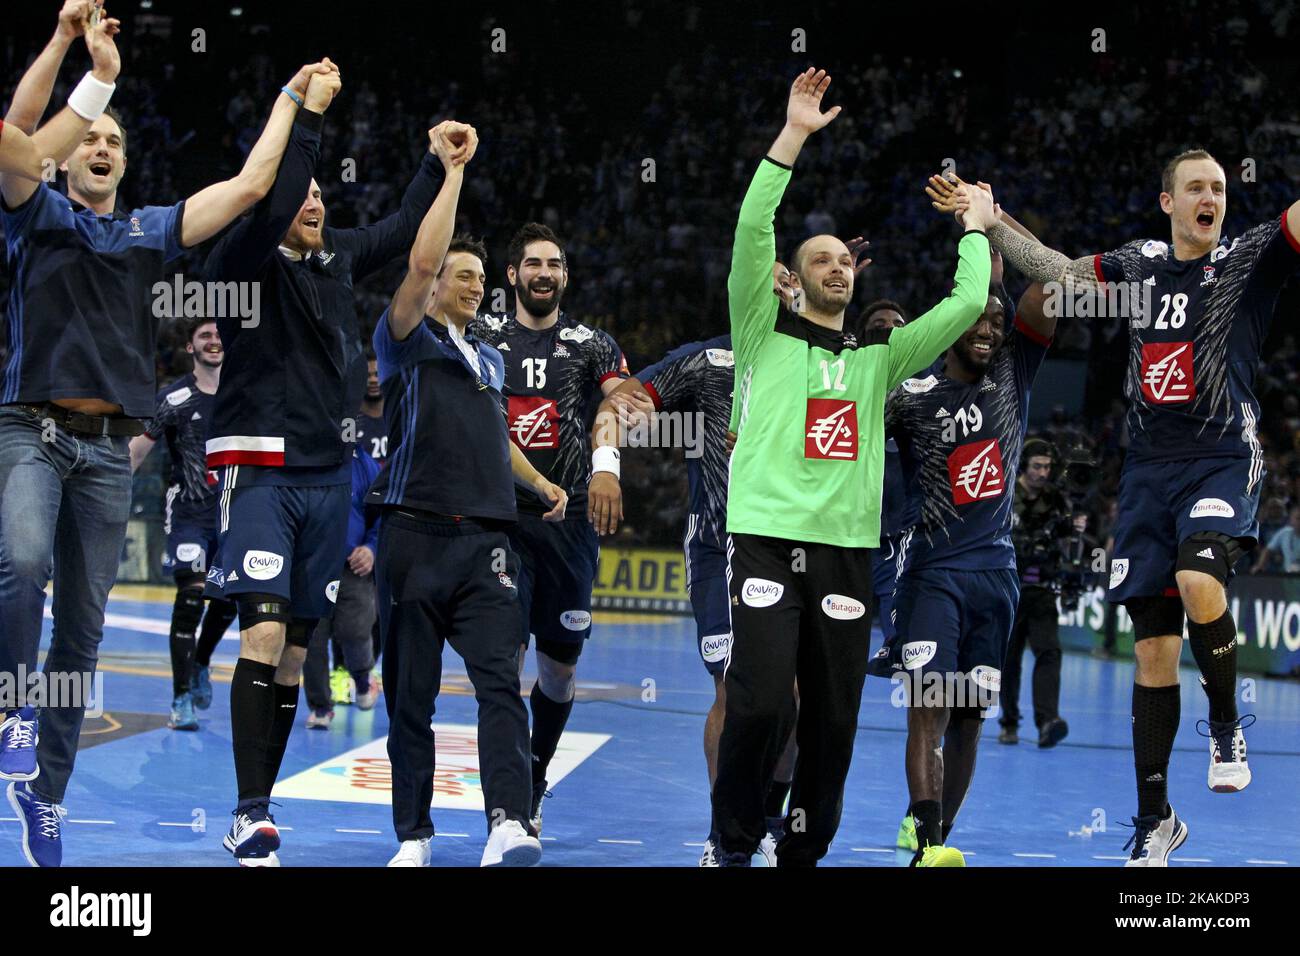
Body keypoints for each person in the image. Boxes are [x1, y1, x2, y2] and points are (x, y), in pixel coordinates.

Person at [0, 8, 330, 868]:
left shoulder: (148, 230)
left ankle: (47, 794)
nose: (102, 146)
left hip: (109, 454)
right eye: (88, 137)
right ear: (63, 155)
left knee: (80, 634)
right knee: (24, 559)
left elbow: (256, 186)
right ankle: (10, 709)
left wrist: (292, 99)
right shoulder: (30, 213)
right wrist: (73, 50)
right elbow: (11, 136)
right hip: (31, 432)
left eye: (114, 139)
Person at [965, 146, 1300, 865]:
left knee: (1199, 579)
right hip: (1147, 473)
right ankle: (1156, 820)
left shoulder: (1246, 258)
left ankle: (1224, 723)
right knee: (1152, 655)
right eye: (1196, 188)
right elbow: (1057, 273)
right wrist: (991, 224)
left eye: (1219, 187)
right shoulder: (1140, 269)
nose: (1212, 196)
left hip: (1220, 459)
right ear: (1168, 203)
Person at [711, 68, 995, 867]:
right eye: (821, 259)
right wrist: (795, 134)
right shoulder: (761, 328)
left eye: (845, 260)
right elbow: (751, 227)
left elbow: (968, 305)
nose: (838, 267)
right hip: (765, 538)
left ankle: (801, 852)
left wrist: (974, 224)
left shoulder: (880, 361)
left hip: (846, 554)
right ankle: (732, 843)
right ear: (794, 279)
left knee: (834, 722)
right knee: (763, 705)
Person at [203, 67, 462, 867]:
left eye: (322, 196)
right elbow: (273, 200)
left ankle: (260, 804)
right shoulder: (242, 258)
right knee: (264, 634)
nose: (315, 204)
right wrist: (308, 117)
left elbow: (395, 231)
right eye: (302, 196)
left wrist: (437, 163)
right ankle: (248, 814)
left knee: (293, 653)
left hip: (325, 477)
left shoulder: (333, 260)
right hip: (259, 469)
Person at [369, 129, 566, 867]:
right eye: (464, 274)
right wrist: (452, 173)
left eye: (483, 277)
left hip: (487, 541)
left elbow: (496, 436)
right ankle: (414, 837)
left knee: (499, 685)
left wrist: (540, 481)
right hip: (411, 539)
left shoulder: (487, 354)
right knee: (409, 701)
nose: (476, 285)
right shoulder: (406, 335)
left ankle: (508, 822)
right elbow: (421, 261)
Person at [591, 330, 798, 866]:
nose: (778, 291)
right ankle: (724, 830)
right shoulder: (707, 360)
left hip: (794, 544)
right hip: (719, 543)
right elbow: (619, 404)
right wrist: (606, 468)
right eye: (766, 279)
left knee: (792, 698)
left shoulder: (815, 357)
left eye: (787, 283)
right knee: (731, 688)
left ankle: (770, 822)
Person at [870, 281, 1054, 866]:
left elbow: (1051, 287)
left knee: (970, 720)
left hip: (996, 579)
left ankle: (939, 839)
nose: (988, 330)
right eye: (976, 319)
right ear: (949, 323)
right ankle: (926, 845)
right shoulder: (911, 394)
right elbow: (843, 435)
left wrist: (990, 225)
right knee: (929, 707)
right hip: (931, 575)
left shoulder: (1012, 379)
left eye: (997, 322)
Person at [467, 223, 629, 832]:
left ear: (564, 275)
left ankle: (533, 783)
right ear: (511, 275)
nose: (543, 273)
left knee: (559, 671)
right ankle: (506, 807)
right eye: (532, 263)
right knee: (502, 661)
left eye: (554, 264)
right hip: (498, 520)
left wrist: (608, 465)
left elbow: (618, 403)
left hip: (570, 523)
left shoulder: (590, 344)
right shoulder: (480, 334)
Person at [128, 318, 238, 730]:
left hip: (234, 515)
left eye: (218, 336)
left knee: (228, 599)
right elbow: (135, 453)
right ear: (191, 348)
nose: (213, 341)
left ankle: (202, 663)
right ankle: (179, 700)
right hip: (189, 513)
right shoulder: (172, 397)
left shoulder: (242, 394)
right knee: (190, 600)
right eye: (204, 336)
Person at [1000, 437, 1071, 747]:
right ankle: (1009, 723)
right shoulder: (1004, 495)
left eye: (1047, 467)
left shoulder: (1057, 501)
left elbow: (1069, 542)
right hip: (1009, 589)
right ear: (1023, 466)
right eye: (1037, 466)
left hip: (1042, 588)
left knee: (1049, 652)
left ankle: (1047, 722)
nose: (1043, 472)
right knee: (1009, 659)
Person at [303, 447, 381, 729]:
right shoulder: (304, 455)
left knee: (354, 630)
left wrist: (371, 549)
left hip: (353, 565)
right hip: (312, 564)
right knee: (310, 637)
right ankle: (320, 706)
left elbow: (381, 515)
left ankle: (362, 679)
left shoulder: (365, 465)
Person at [1251, 505, 1300, 573]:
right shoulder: (1285, 533)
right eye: (1298, 518)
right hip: (1289, 578)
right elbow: (1267, 550)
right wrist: (1260, 566)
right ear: (1291, 519)